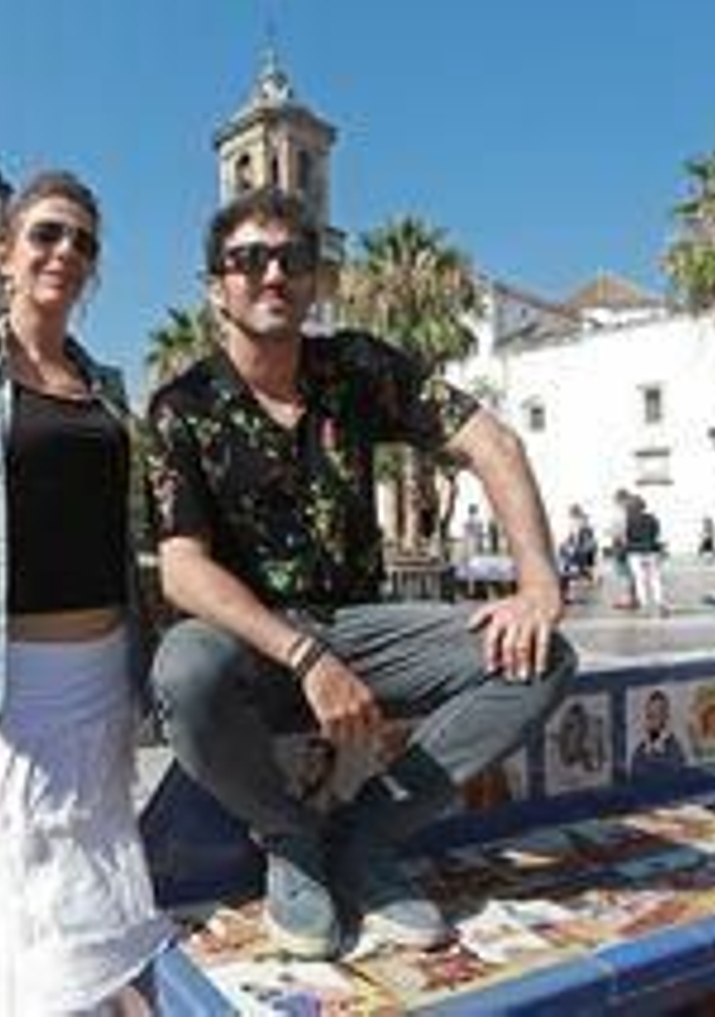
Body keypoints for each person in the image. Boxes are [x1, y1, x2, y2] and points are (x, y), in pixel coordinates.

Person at [145, 188, 576, 960]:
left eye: (293, 259)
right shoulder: (185, 408)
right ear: (217, 286)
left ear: (314, 280)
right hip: (254, 643)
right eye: (249, 260)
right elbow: (181, 568)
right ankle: (290, 835)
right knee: (182, 670)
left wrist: (538, 584)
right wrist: (306, 657)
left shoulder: (359, 366)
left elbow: (496, 445)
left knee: (543, 657)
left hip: (361, 627)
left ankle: (367, 835)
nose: (273, 274)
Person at [0, 170, 168, 1013]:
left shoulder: (107, 388)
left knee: (92, 891)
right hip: (16, 682)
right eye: (48, 234)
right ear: (5, 255)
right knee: (30, 898)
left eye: (84, 242)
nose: (67, 252)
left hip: (104, 671)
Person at [624, 494, 668, 616]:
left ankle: (644, 605)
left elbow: (627, 536)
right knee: (655, 578)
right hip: (651, 550)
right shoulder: (652, 518)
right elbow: (657, 533)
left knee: (640, 579)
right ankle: (660, 603)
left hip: (635, 552)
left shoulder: (629, 520)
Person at [630, 688, 687, 779]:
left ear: (665, 717)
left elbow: (674, 776)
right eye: (649, 716)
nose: (650, 721)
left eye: (655, 716)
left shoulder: (675, 750)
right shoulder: (639, 751)